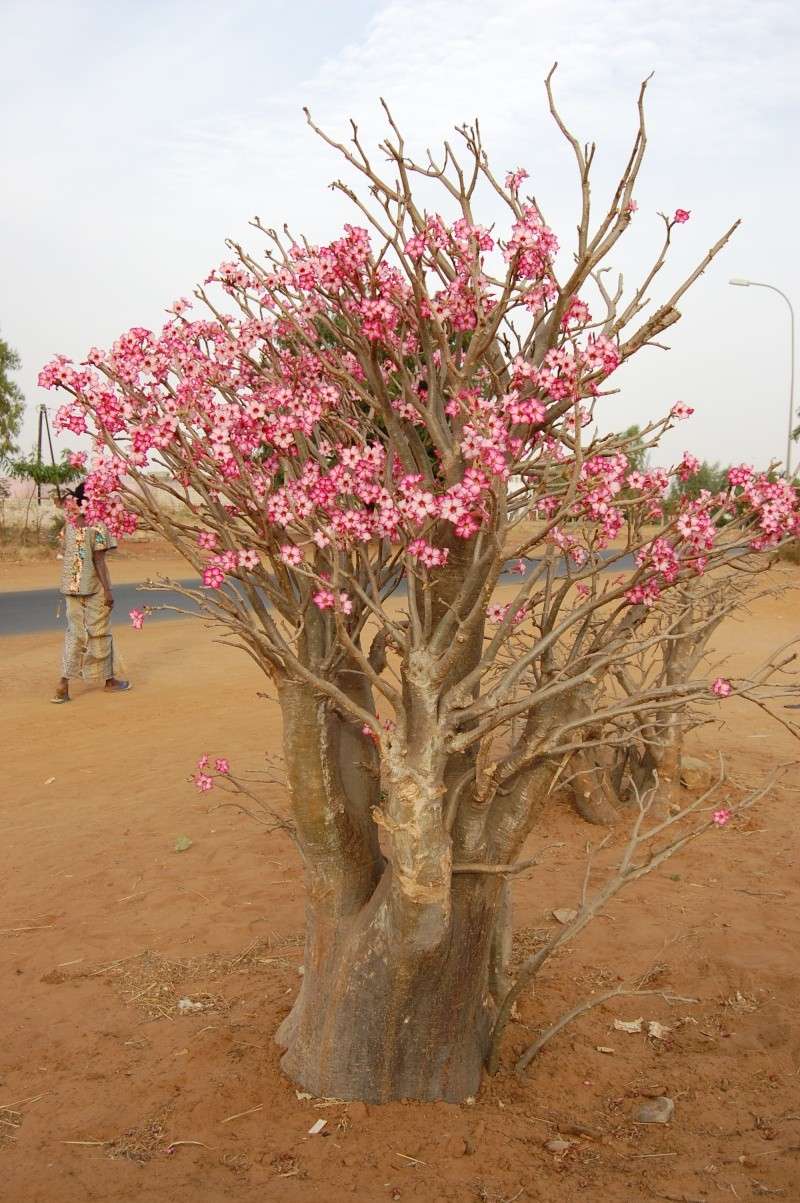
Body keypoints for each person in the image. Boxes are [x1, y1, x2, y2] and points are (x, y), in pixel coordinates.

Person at [51, 481, 131, 703]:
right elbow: (99, 561)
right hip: (93, 587)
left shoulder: (69, 524)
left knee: (74, 634)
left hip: (70, 587)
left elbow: (64, 552)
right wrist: (108, 591)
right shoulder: (98, 525)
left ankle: (63, 685)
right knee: (100, 630)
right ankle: (109, 681)